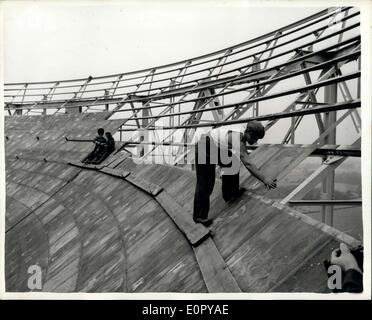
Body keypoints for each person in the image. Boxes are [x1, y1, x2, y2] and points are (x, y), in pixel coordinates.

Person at [193, 120, 277, 227]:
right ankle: (199, 217)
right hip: (204, 147)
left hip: (214, 146)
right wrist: (265, 179)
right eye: (254, 138)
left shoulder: (244, 132)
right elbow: (248, 163)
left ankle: (230, 193)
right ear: (248, 133)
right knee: (206, 182)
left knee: (233, 161)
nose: (254, 141)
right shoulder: (237, 138)